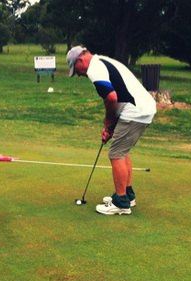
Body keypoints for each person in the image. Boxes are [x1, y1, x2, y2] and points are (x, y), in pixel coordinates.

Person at [67, 46, 156, 215]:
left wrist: (108, 123)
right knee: (122, 151)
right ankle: (127, 196)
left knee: (116, 154)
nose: (78, 74)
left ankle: (121, 203)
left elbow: (111, 97)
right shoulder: (103, 60)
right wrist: (111, 125)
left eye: (76, 70)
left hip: (135, 111)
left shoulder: (94, 68)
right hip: (141, 109)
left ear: (80, 60)